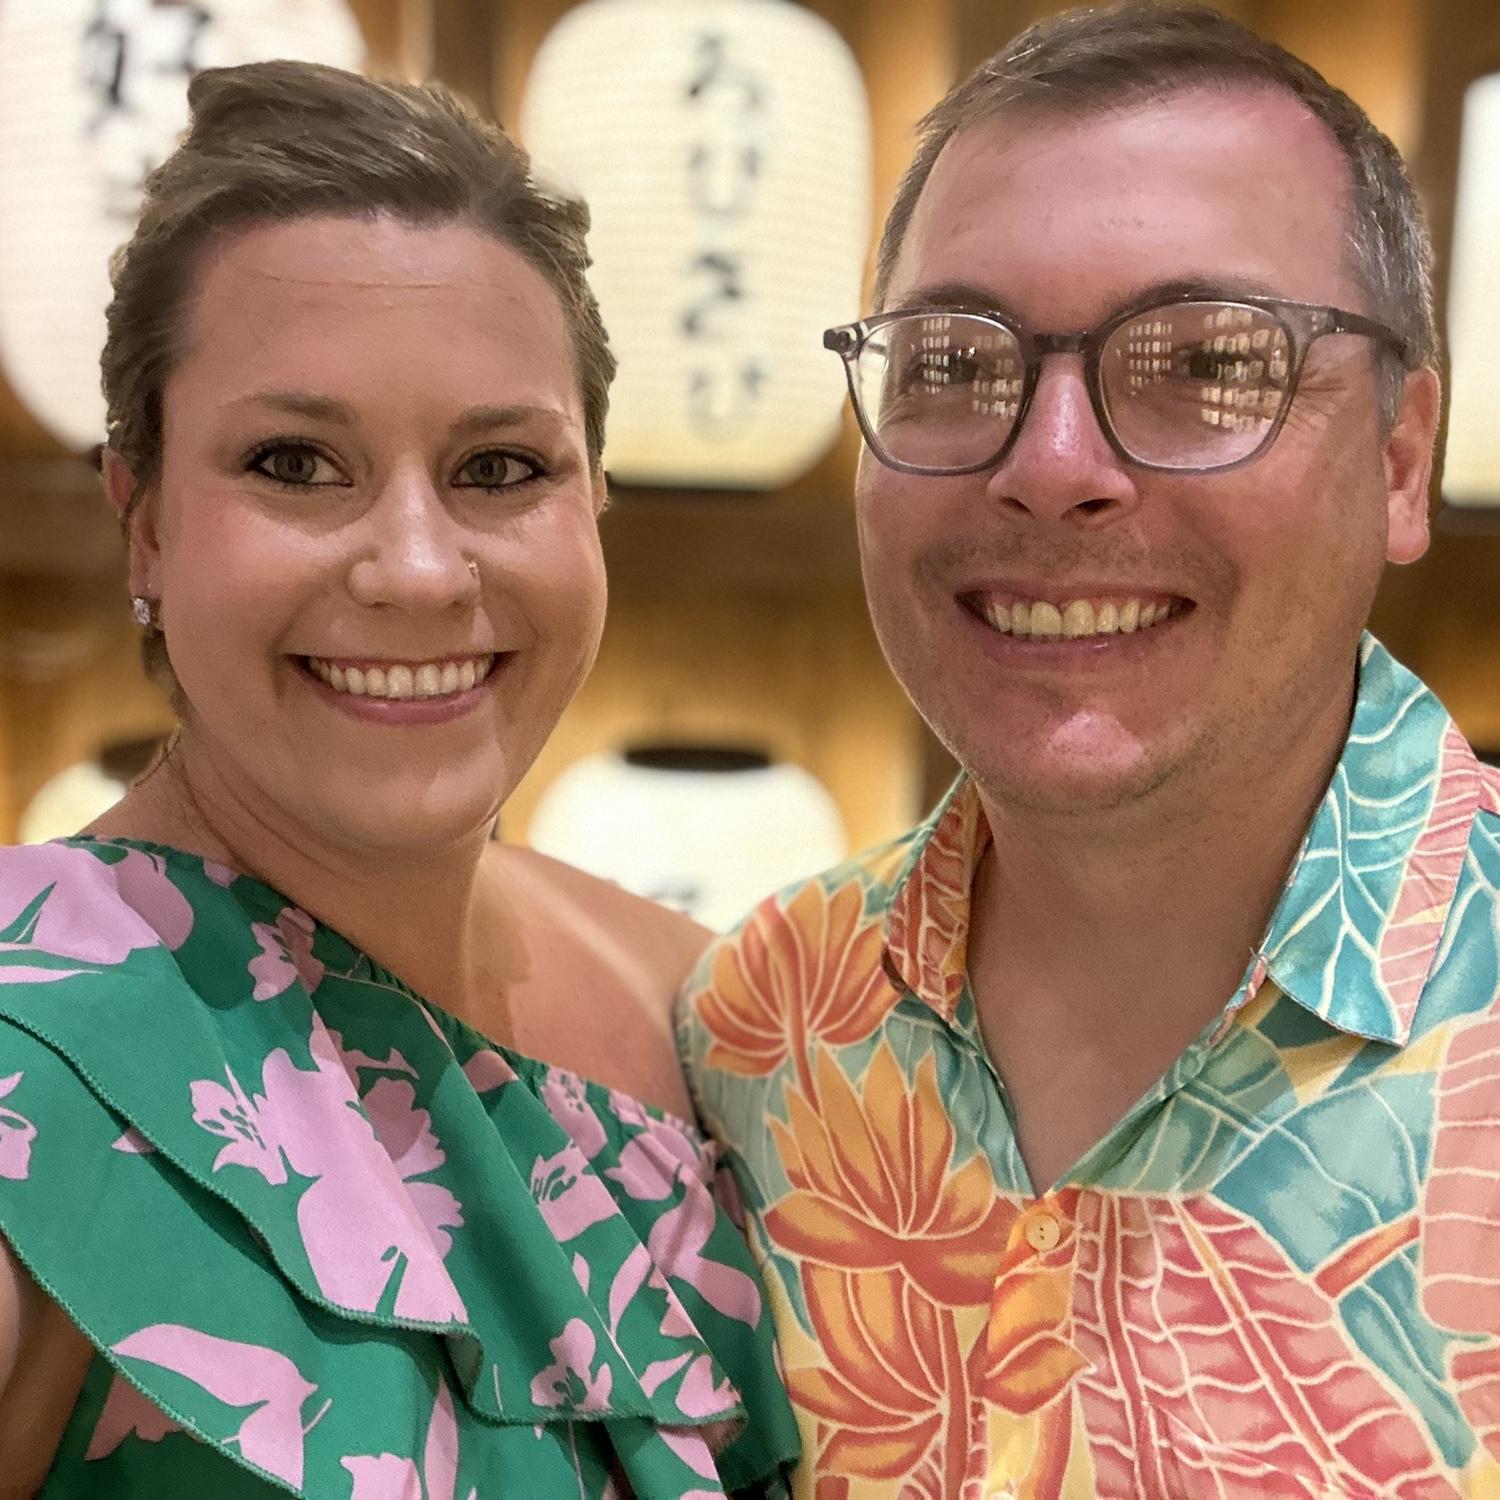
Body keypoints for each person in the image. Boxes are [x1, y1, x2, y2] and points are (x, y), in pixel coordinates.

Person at [677, 5, 1500, 1494]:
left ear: (1400, 460)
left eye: (1206, 360)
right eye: (954, 364)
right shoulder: (762, 1024)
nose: (1052, 467)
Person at [0, 61, 797, 1498]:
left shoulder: (704, 1005)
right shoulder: (31, 1049)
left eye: (501, 469)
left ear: (596, 500)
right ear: (145, 522)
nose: (420, 571)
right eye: (295, 463)